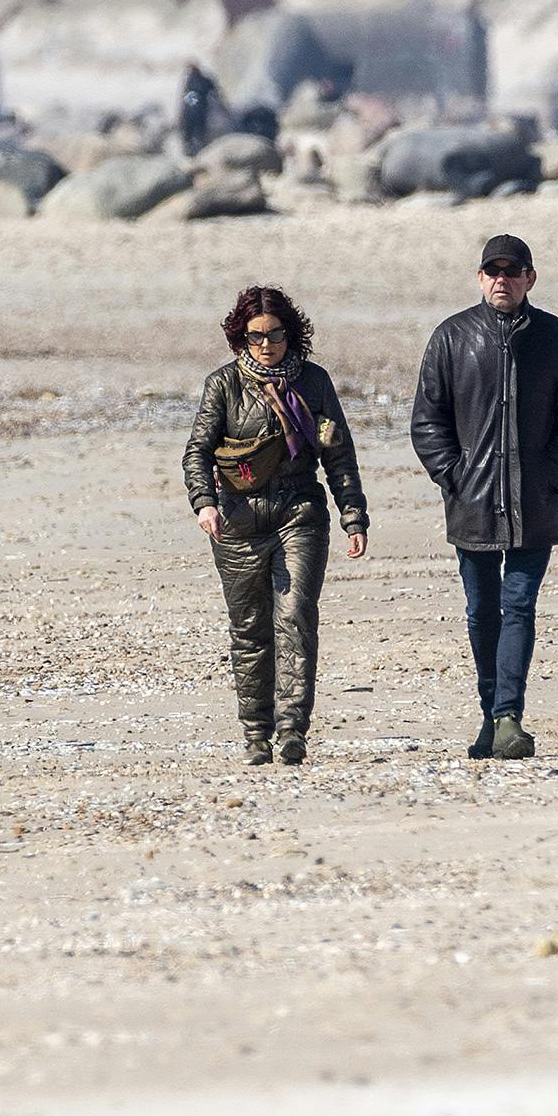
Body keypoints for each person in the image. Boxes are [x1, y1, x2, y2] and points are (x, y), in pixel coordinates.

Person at [409, 235, 558, 761]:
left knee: (519, 605)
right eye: (492, 271)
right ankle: (492, 716)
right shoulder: (451, 337)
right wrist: (454, 475)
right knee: (480, 612)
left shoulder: (555, 338)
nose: (501, 280)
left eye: (512, 272)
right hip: (471, 501)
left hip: (534, 502)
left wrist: (550, 475)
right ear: (479, 278)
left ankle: (508, 717)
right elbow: (428, 421)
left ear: (530, 278)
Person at [182, 285, 368, 765]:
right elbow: (197, 452)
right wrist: (205, 504)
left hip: (299, 514)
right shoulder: (222, 385)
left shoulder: (315, 383)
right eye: (256, 336)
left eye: (276, 335)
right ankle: (257, 734)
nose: (267, 345)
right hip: (237, 521)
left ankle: (292, 733)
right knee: (250, 629)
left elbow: (338, 454)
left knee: (295, 618)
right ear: (240, 337)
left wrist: (353, 515)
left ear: (292, 333)